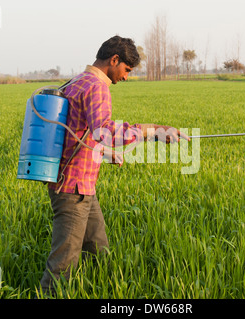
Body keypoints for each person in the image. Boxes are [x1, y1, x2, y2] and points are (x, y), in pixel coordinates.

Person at [39, 35, 189, 296]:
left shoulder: (78, 80)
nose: (126, 77)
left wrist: (104, 152)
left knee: (98, 249)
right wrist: (151, 130)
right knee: (63, 264)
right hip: (73, 188)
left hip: (81, 183)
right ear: (114, 60)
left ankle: (101, 290)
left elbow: (77, 131)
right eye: (127, 70)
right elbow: (103, 130)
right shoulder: (97, 86)